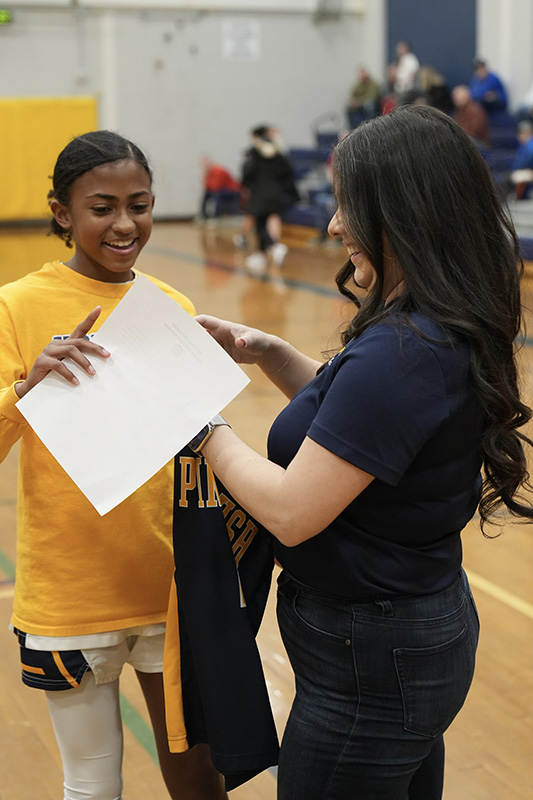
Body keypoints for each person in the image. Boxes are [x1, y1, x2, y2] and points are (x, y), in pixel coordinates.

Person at [188, 105, 533, 799]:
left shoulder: (402, 352)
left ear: (402, 212)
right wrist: (269, 353)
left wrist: (200, 430)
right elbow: (369, 430)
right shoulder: (430, 327)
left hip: (372, 658)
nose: (332, 224)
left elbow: (289, 511)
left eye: (349, 205)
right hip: (395, 639)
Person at [0, 130, 227, 800]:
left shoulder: (171, 308)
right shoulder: (16, 304)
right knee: (93, 784)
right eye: (102, 207)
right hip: (71, 594)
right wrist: (24, 390)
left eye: (141, 204)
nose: (125, 223)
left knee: (198, 779)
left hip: (169, 587)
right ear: (62, 212)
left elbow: (194, 450)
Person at [240, 125, 298, 273]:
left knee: (259, 223)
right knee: (273, 218)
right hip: (275, 194)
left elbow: (246, 175)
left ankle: (268, 249)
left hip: (259, 195)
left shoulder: (254, 157)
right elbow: (289, 173)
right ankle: (273, 246)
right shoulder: (279, 157)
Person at [198, 155, 241, 222]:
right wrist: (206, 180)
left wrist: (206, 180)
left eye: (206, 163)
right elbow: (208, 187)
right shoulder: (207, 173)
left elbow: (216, 187)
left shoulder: (218, 170)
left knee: (216, 195)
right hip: (221, 190)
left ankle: (216, 216)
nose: (204, 166)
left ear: (210, 163)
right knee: (206, 193)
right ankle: (204, 215)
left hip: (232, 190)